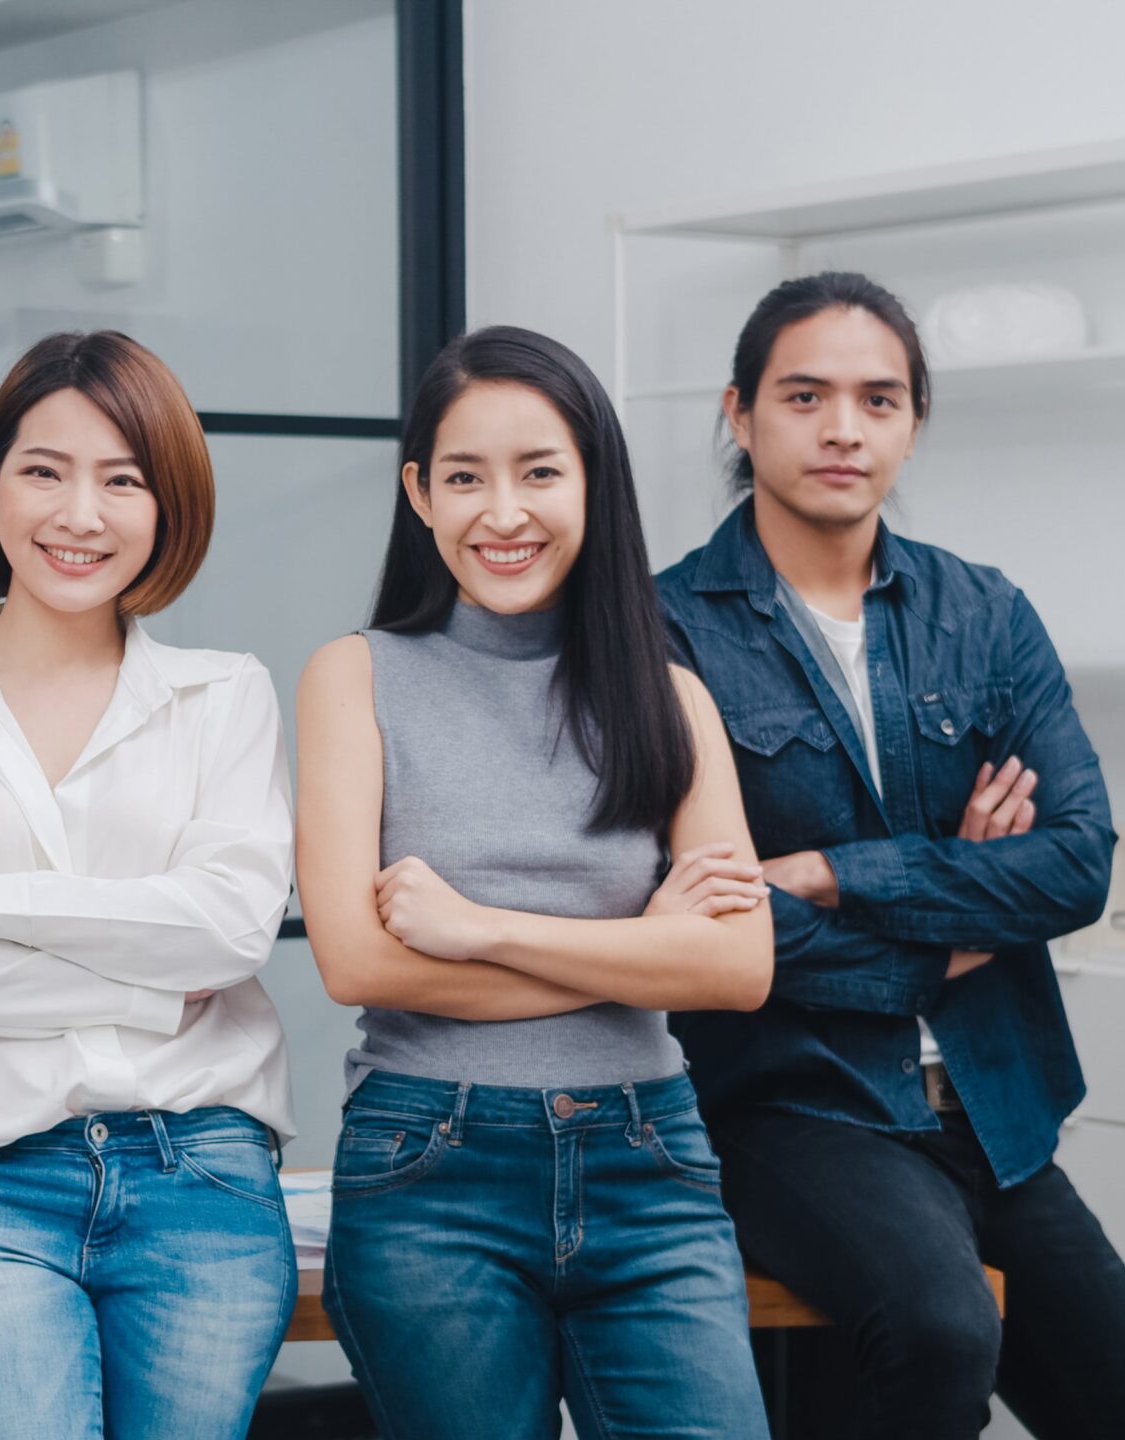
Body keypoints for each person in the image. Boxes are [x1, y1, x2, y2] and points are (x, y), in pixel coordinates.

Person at [655, 270, 1125, 1439]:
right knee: (939, 1330)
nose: (843, 428)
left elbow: (1073, 864)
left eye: (879, 398)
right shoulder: (661, 631)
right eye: (804, 395)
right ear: (738, 412)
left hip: (991, 1110)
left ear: (912, 424)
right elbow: (700, 919)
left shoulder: (981, 612)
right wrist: (948, 930)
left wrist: (836, 871)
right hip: (791, 1108)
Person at [297, 325, 775, 1439]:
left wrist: (471, 929)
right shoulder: (355, 677)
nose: (501, 513)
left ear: (594, 484)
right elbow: (356, 963)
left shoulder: (670, 699)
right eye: (464, 476)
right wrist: (644, 952)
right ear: (418, 492)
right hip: (430, 1171)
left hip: (648, 1163)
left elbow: (739, 967)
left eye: (539, 472)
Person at [0, 331, 297, 1440]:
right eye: (46, 471)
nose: (80, 515)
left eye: (123, 480)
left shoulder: (222, 698)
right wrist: (152, 987)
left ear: (167, 505)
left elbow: (229, 931)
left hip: (197, 1171)